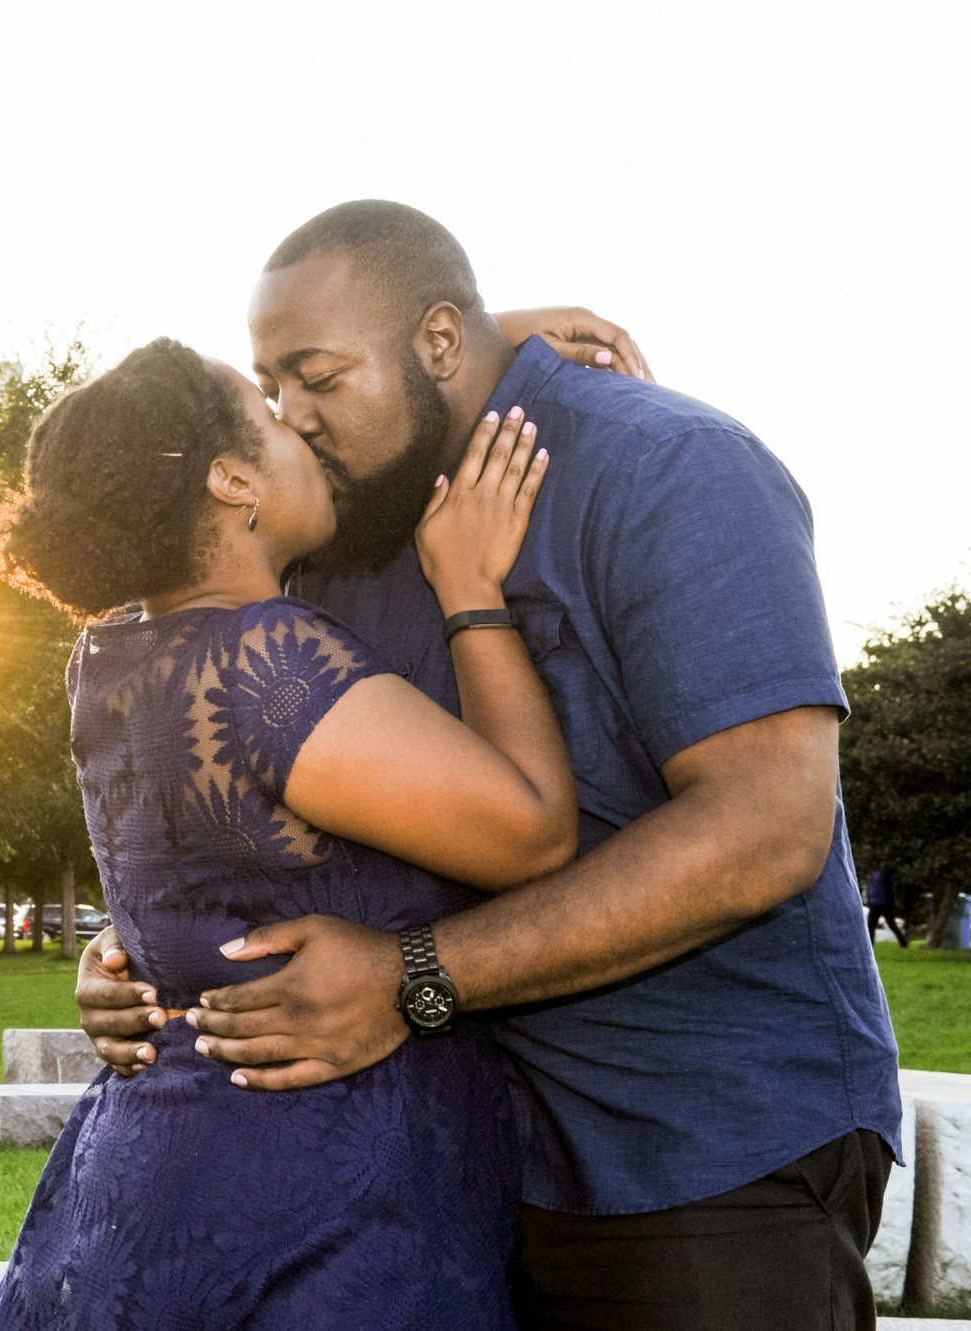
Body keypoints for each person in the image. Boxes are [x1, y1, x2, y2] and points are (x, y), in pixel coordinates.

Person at [75, 201, 902, 1331]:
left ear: (436, 343)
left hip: (689, 1153)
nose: (288, 419)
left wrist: (413, 975)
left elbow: (767, 825)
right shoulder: (327, 529)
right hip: (434, 1180)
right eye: (271, 388)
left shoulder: (669, 467)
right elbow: (237, 783)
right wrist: (148, 953)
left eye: (315, 377)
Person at [0, 330, 576, 1329]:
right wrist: (470, 590)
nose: (299, 421)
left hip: (138, 1182)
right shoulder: (267, 660)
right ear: (231, 477)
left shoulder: (104, 655)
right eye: (269, 416)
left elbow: (189, 883)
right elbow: (530, 832)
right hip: (310, 1203)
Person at [867, 866, 908, 947]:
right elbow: (890, 891)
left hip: (875, 904)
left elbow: (870, 890)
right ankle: (903, 943)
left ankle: (870, 945)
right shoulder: (884, 876)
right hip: (884, 904)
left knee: (871, 926)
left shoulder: (874, 875)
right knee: (891, 924)